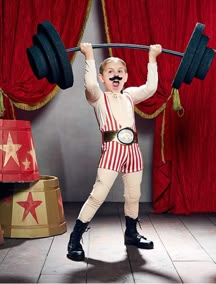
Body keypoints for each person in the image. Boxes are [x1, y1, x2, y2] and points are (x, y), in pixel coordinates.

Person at [67, 42, 162, 262]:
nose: (116, 75)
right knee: (98, 194)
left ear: (126, 76)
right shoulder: (97, 98)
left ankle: (131, 234)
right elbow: (90, 84)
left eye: (120, 72)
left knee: (133, 195)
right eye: (110, 72)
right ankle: (75, 239)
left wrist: (152, 58)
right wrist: (89, 56)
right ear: (102, 78)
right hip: (112, 149)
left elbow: (151, 88)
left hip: (133, 151)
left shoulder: (129, 95)